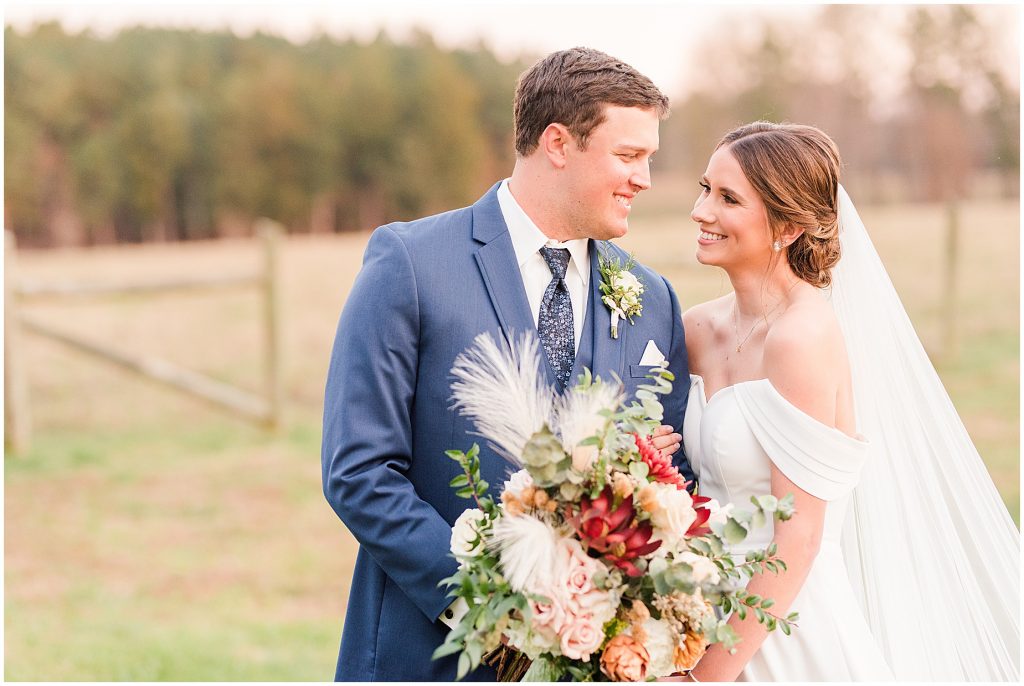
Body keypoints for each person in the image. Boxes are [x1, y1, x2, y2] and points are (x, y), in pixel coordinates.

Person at [321, 47, 693, 682]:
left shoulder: (651, 299)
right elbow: (358, 471)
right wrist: (498, 606)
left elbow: (673, 479)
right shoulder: (410, 265)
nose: (645, 179)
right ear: (556, 143)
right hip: (431, 655)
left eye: (649, 159)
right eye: (628, 157)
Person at [679, 121, 1019, 681]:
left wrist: (704, 676)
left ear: (787, 227)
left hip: (784, 630)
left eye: (728, 198)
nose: (700, 210)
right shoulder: (696, 329)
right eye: (704, 188)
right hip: (695, 612)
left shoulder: (800, 338)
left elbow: (800, 535)